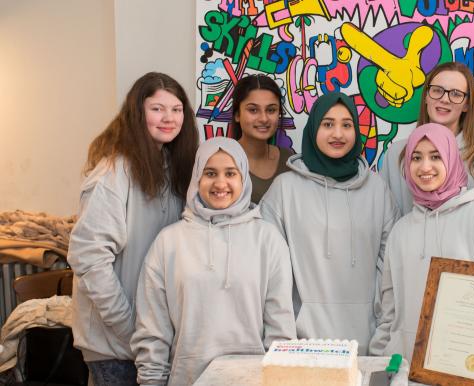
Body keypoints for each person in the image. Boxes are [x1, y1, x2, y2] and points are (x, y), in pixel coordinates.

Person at [67, 72, 198, 385]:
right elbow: (90, 261)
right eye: (157, 109)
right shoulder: (113, 173)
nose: (168, 118)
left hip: (153, 341)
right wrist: (131, 329)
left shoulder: (173, 167)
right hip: (116, 347)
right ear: (137, 114)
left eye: (176, 109)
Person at [131, 137, 296, 385]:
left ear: (243, 178)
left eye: (230, 173)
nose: (220, 183)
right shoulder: (168, 243)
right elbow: (153, 333)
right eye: (210, 173)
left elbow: (280, 332)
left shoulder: (268, 240)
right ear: (197, 178)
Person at [260, 92, 399, 355]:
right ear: (313, 129)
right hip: (302, 346)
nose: (338, 133)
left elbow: (390, 267)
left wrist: (382, 332)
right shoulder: (284, 189)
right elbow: (269, 272)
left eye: (347, 125)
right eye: (327, 124)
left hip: (367, 344)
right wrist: (285, 336)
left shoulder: (377, 190)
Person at [370, 123, 474, 362]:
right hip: (404, 365)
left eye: (436, 156)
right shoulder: (400, 231)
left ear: (452, 159)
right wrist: (379, 361)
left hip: (463, 370)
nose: (425, 167)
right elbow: (388, 312)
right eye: (416, 157)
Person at [379, 62, 474, 215]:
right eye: (437, 90)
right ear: (426, 96)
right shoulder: (396, 154)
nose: (445, 99)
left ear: (466, 104)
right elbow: (386, 216)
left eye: (456, 94)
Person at [232, 74, 294, 204]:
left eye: (271, 110)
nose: (264, 118)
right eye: (253, 110)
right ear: (237, 114)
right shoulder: (221, 159)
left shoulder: (289, 159)